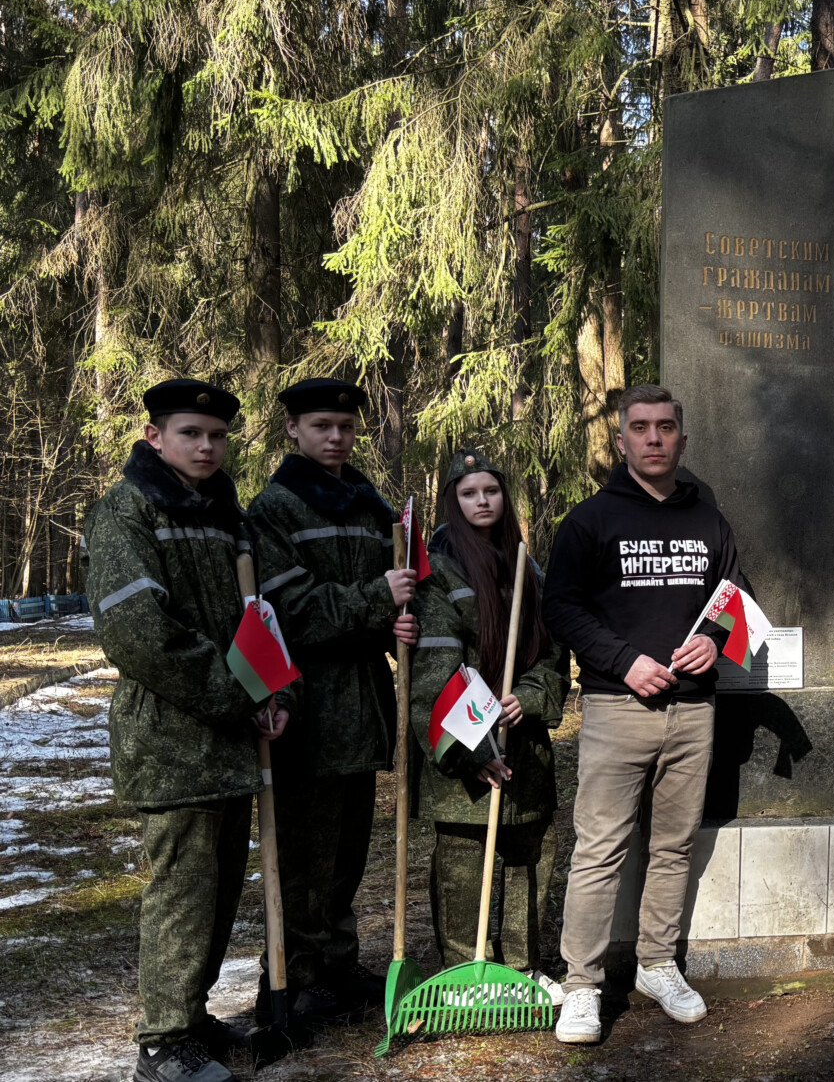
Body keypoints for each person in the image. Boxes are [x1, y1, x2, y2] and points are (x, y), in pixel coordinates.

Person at [83, 379, 290, 1082]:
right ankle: (163, 1044)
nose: (206, 447)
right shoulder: (127, 511)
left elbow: (259, 620)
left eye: (217, 436)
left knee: (219, 887)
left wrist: (274, 691)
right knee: (182, 891)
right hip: (171, 740)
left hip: (230, 736)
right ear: (155, 437)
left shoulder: (226, 515)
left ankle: (192, 1017)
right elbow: (139, 632)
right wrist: (238, 694)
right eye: (190, 434)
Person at [542, 384, 744, 1044]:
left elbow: (733, 598)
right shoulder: (590, 521)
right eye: (640, 427)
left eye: (665, 427)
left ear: (683, 439)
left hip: (693, 711)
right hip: (616, 706)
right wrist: (624, 661)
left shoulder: (709, 521)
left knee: (673, 846)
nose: (653, 438)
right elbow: (561, 607)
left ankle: (658, 964)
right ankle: (582, 984)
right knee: (600, 848)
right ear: (621, 440)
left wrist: (713, 640)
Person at [247, 378, 418, 1019]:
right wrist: (377, 599)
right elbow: (288, 610)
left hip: (365, 702)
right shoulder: (275, 509)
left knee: (348, 849)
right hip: (307, 705)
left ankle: (339, 964)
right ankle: (295, 976)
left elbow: (398, 594)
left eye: (345, 427)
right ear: (292, 428)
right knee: (304, 854)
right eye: (321, 426)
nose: (336, 437)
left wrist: (397, 620)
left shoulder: (369, 503)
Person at [409, 449, 570, 997]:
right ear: (452, 501)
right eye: (469, 493)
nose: (482, 501)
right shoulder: (439, 572)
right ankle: (465, 972)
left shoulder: (528, 567)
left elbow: (553, 653)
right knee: (463, 860)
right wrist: (471, 751)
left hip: (524, 742)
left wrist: (530, 696)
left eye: (492, 491)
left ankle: (521, 968)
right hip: (467, 744)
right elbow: (434, 673)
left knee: (530, 851)